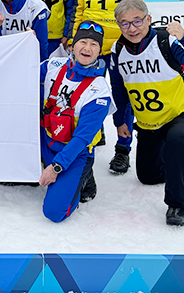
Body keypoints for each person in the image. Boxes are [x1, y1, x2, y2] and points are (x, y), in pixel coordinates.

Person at [72, 0, 180, 174]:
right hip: (93, 47)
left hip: (126, 45)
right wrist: (74, 37)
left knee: (124, 99)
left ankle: (123, 149)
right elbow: (79, 7)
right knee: (87, 95)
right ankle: (93, 137)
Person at [108, 0, 184, 226]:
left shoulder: (166, 42)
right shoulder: (117, 51)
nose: (132, 28)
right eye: (124, 23)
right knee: (148, 176)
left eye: (137, 21)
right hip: (149, 124)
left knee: (178, 141)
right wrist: (120, 121)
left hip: (182, 114)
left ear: (148, 19)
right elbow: (119, 90)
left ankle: (178, 205)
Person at [39, 21, 114, 222]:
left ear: (100, 51)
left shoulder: (99, 91)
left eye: (94, 44)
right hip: (45, 139)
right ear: (72, 46)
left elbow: (82, 139)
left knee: (54, 213)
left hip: (73, 152)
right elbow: (23, 73)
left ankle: (83, 179)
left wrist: (55, 168)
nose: (87, 48)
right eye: (83, 42)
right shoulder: (54, 65)